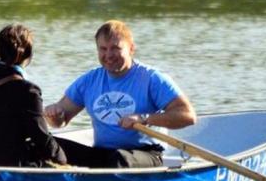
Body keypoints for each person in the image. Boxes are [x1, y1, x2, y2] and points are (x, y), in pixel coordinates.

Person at [44, 20, 196, 169]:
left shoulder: (152, 78)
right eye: (103, 49)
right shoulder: (89, 81)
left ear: (131, 49)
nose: (108, 55)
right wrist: (54, 115)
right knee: (43, 144)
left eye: (115, 48)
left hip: (146, 154)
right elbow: (59, 122)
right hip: (102, 154)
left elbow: (188, 116)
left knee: (118, 159)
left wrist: (144, 119)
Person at [0, 24, 67, 168]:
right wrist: (64, 160)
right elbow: (41, 138)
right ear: (28, 55)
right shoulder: (29, 90)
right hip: (12, 166)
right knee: (61, 151)